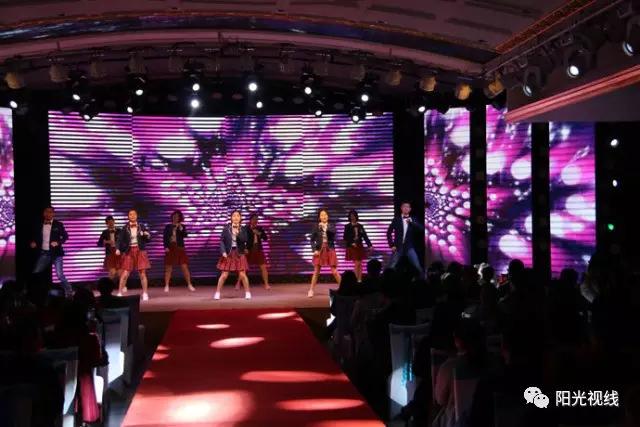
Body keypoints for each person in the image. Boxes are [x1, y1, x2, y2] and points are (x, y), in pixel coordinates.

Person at [30, 206, 72, 297]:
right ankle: (36, 293)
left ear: (53, 214)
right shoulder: (39, 224)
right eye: (46, 212)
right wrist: (33, 242)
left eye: (50, 212)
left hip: (56, 253)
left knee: (60, 275)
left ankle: (69, 292)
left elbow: (66, 237)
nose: (48, 214)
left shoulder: (58, 224)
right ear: (43, 213)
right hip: (44, 253)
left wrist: (58, 242)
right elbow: (36, 237)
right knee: (36, 272)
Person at [115, 209, 151, 301]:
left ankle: (145, 293)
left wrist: (147, 235)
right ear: (128, 216)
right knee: (125, 273)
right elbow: (119, 239)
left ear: (137, 215)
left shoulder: (142, 226)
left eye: (134, 214)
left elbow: (148, 239)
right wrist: (118, 249)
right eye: (130, 214)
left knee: (142, 273)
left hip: (140, 250)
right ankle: (119, 292)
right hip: (129, 251)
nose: (132, 216)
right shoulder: (125, 227)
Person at [215, 210, 251, 300]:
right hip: (229, 253)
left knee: (242, 274)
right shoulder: (226, 229)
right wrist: (223, 252)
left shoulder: (243, 229)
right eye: (234, 216)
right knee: (224, 275)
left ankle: (247, 292)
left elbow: (245, 239)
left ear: (240, 218)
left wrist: (238, 233)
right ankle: (217, 292)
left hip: (239, 253)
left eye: (238, 216)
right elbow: (222, 241)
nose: (236, 218)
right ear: (231, 218)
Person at [308, 209, 341, 298]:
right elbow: (311, 240)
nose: (324, 217)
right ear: (319, 217)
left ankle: (344, 288)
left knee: (334, 271)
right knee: (316, 271)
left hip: (330, 248)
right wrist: (314, 250)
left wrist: (325, 228)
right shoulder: (316, 227)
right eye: (322, 215)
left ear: (328, 216)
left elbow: (333, 234)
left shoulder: (331, 226)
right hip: (319, 249)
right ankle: (311, 290)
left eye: (325, 215)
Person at [386, 201, 424, 277]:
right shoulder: (396, 219)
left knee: (417, 266)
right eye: (404, 206)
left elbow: (421, 229)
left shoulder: (413, 219)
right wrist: (392, 245)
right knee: (391, 267)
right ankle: (387, 281)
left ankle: (422, 281)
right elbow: (389, 233)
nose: (406, 208)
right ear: (401, 208)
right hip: (398, 247)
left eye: (407, 207)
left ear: (410, 209)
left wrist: (412, 222)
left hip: (409, 247)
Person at [235, 213, 271, 290]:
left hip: (258, 249)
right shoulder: (246, 228)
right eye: (254, 219)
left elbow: (265, 238)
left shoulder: (260, 228)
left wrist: (259, 234)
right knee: (243, 268)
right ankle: (238, 283)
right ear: (250, 220)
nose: (255, 221)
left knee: (263, 267)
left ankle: (266, 284)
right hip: (248, 250)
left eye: (256, 219)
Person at [163, 210, 195, 293]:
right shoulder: (168, 226)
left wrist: (181, 229)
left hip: (180, 248)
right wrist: (166, 247)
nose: (175, 218)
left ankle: (189, 284)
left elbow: (185, 235)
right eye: (174, 216)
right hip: (170, 248)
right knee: (168, 267)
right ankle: (166, 285)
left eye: (177, 216)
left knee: (184, 267)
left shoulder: (182, 226)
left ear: (180, 218)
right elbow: (165, 237)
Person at [343, 210, 372, 283]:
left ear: (356, 217)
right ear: (349, 217)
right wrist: (351, 243)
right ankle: (355, 280)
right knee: (357, 263)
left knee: (359, 263)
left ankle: (360, 280)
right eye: (351, 216)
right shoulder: (347, 226)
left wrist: (370, 245)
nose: (353, 217)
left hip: (359, 246)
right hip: (352, 247)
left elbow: (365, 236)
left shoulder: (360, 226)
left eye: (354, 216)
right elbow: (345, 237)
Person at [97, 215, 121, 281]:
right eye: (109, 222)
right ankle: (109, 285)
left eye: (112, 222)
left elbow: (125, 241)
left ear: (114, 222)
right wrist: (106, 242)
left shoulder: (119, 231)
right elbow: (99, 244)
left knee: (120, 273)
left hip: (118, 253)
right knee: (112, 272)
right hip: (110, 253)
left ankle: (121, 286)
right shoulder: (105, 232)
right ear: (106, 224)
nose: (111, 224)